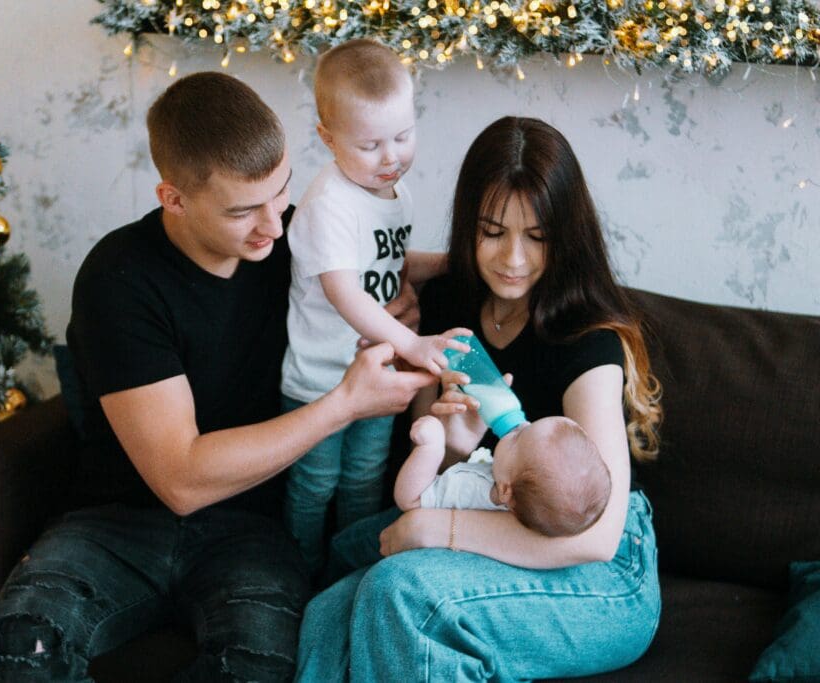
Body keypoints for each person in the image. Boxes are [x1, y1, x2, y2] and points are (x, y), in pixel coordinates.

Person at [0, 72, 445, 682]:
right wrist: (342, 406)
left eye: (280, 193)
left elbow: (373, 260)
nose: (274, 227)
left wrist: (400, 296)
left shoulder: (292, 235)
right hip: (117, 524)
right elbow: (181, 479)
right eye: (242, 211)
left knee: (261, 666)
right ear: (173, 198)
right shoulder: (118, 279)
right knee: (22, 641)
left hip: (252, 531)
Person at [296, 116, 664, 681]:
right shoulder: (447, 309)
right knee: (326, 612)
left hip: (603, 570)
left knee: (402, 590)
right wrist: (451, 445)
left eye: (537, 237)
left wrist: (435, 534)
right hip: (482, 513)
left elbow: (597, 534)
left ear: (564, 237)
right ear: (468, 227)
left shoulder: (587, 339)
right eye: (493, 232)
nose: (512, 259)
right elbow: (439, 475)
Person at [281, 39, 464, 575]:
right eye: (370, 145)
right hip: (322, 380)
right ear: (328, 138)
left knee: (365, 478)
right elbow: (346, 291)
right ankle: (298, 577)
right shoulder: (328, 205)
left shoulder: (392, 192)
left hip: (378, 376)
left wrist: (456, 262)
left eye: (403, 136)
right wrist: (410, 343)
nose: (391, 158)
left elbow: (394, 263)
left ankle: (352, 574)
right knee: (315, 484)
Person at [395, 414, 611, 539]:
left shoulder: (473, 489)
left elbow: (410, 500)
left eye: (519, 436)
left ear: (506, 490)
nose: (522, 425)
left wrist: (431, 448)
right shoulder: (518, 504)